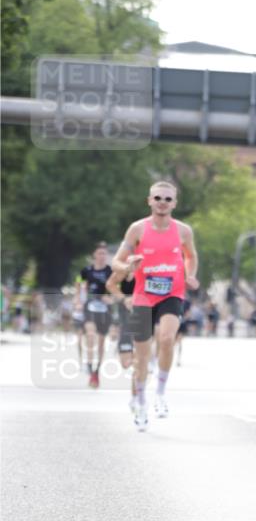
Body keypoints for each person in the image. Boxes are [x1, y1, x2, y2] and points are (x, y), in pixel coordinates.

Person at [112, 180, 199, 431]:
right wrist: (129, 266)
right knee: (141, 358)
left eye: (168, 199)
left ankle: (160, 393)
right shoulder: (137, 230)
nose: (163, 203)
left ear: (175, 203)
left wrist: (190, 274)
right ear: (149, 200)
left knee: (167, 339)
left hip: (172, 293)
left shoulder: (183, 231)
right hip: (143, 296)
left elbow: (191, 256)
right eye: (158, 198)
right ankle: (140, 401)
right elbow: (116, 263)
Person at [79, 243, 113, 388]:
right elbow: (80, 286)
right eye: (99, 253)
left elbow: (116, 289)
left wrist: (110, 298)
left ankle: (96, 370)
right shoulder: (86, 271)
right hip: (90, 306)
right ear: (94, 255)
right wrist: (78, 301)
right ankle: (88, 362)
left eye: (104, 254)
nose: (102, 256)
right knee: (90, 335)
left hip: (105, 310)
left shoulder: (111, 271)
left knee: (101, 342)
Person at [106, 264, 137, 411]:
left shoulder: (146, 272)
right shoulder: (121, 272)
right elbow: (110, 285)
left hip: (142, 323)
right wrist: (125, 299)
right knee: (126, 364)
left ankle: (135, 397)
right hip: (124, 323)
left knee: (139, 362)